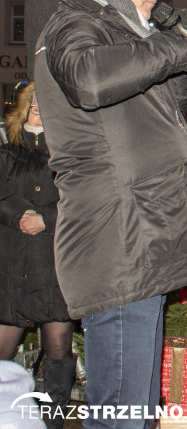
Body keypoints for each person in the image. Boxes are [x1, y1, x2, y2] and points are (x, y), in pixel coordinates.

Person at [33, 0, 187, 428]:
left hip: (142, 237)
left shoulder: (119, 32)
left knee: (135, 408)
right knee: (121, 412)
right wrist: (165, 48)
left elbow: (154, 122)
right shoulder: (75, 24)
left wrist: (179, 66)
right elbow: (89, 82)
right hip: (118, 241)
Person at [0, 83, 75, 429]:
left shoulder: (68, 153)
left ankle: (54, 423)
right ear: (23, 109)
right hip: (12, 264)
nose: (39, 110)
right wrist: (20, 216)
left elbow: (79, 198)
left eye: (47, 106)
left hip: (53, 264)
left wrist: (46, 218)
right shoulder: (7, 151)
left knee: (59, 348)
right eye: (34, 105)